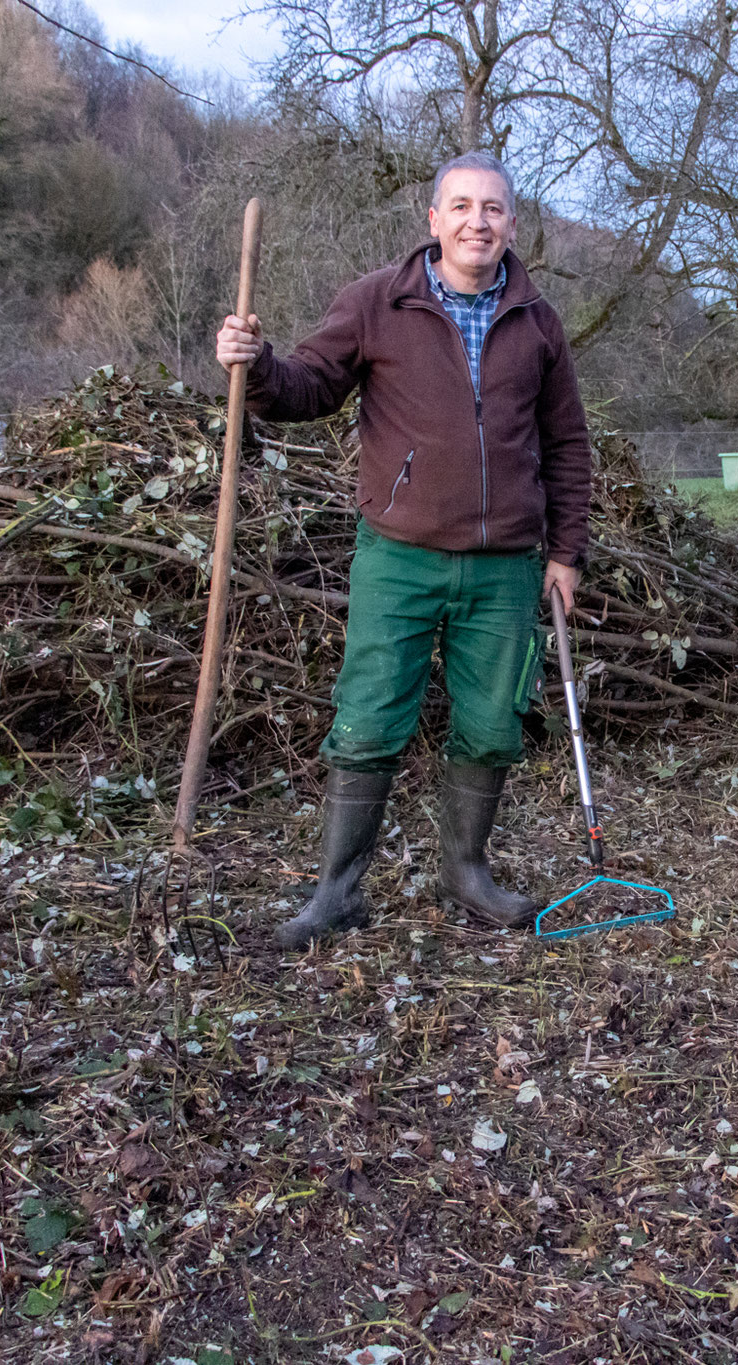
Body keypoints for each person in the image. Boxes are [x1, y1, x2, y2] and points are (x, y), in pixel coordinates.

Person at [214, 152, 593, 950]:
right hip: (398, 555)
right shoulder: (376, 303)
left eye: (492, 208)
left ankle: (467, 871)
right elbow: (308, 386)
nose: (476, 222)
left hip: (507, 564)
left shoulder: (538, 321)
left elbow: (566, 444)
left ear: (512, 224)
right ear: (433, 220)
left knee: (493, 724)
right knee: (367, 719)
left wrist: (567, 553)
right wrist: (258, 362)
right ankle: (338, 893)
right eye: (460, 207)